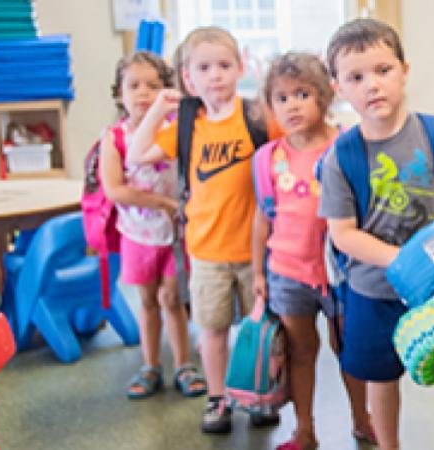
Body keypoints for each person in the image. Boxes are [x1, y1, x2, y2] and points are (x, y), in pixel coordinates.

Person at [318, 18, 434, 450]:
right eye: (356, 77)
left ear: (404, 70)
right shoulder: (340, 158)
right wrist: (400, 261)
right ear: (338, 87)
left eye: (383, 71)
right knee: (380, 377)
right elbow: (343, 234)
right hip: (373, 290)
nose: (372, 85)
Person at [127, 26, 283, 434]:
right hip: (207, 254)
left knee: (262, 330)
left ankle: (260, 396)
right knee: (212, 331)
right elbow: (138, 154)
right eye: (204, 67)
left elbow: (297, 146)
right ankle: (218, 399)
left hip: (257, 254)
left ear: (240, 67)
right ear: (188, 76)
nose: (215, 75)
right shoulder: (186, 125)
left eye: (224, 65)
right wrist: (160, 108)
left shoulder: (257, 117)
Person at [248, 51, 365, 450]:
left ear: (323, 97)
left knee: (349, 350)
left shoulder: (346, 146)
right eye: (281, 98)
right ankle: (304, 429)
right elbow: (262, 219)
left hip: (341, 273)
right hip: (286, 271)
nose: (291, 105)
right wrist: (258, 274)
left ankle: (363, 420)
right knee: (301, 353)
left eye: (302, 94)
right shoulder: (268, 159)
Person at [98, 51, 202, 400]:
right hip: (137, 235)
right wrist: (164, 204)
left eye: (153, 86)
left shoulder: (174, 131)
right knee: (147, 301)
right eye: (134, 86)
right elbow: (115, 189)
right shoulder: (114, 137)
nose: (143, 93)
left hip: (175, 235)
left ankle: (184, 365)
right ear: (119, 94)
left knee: (172, 298)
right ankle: (151, 365)